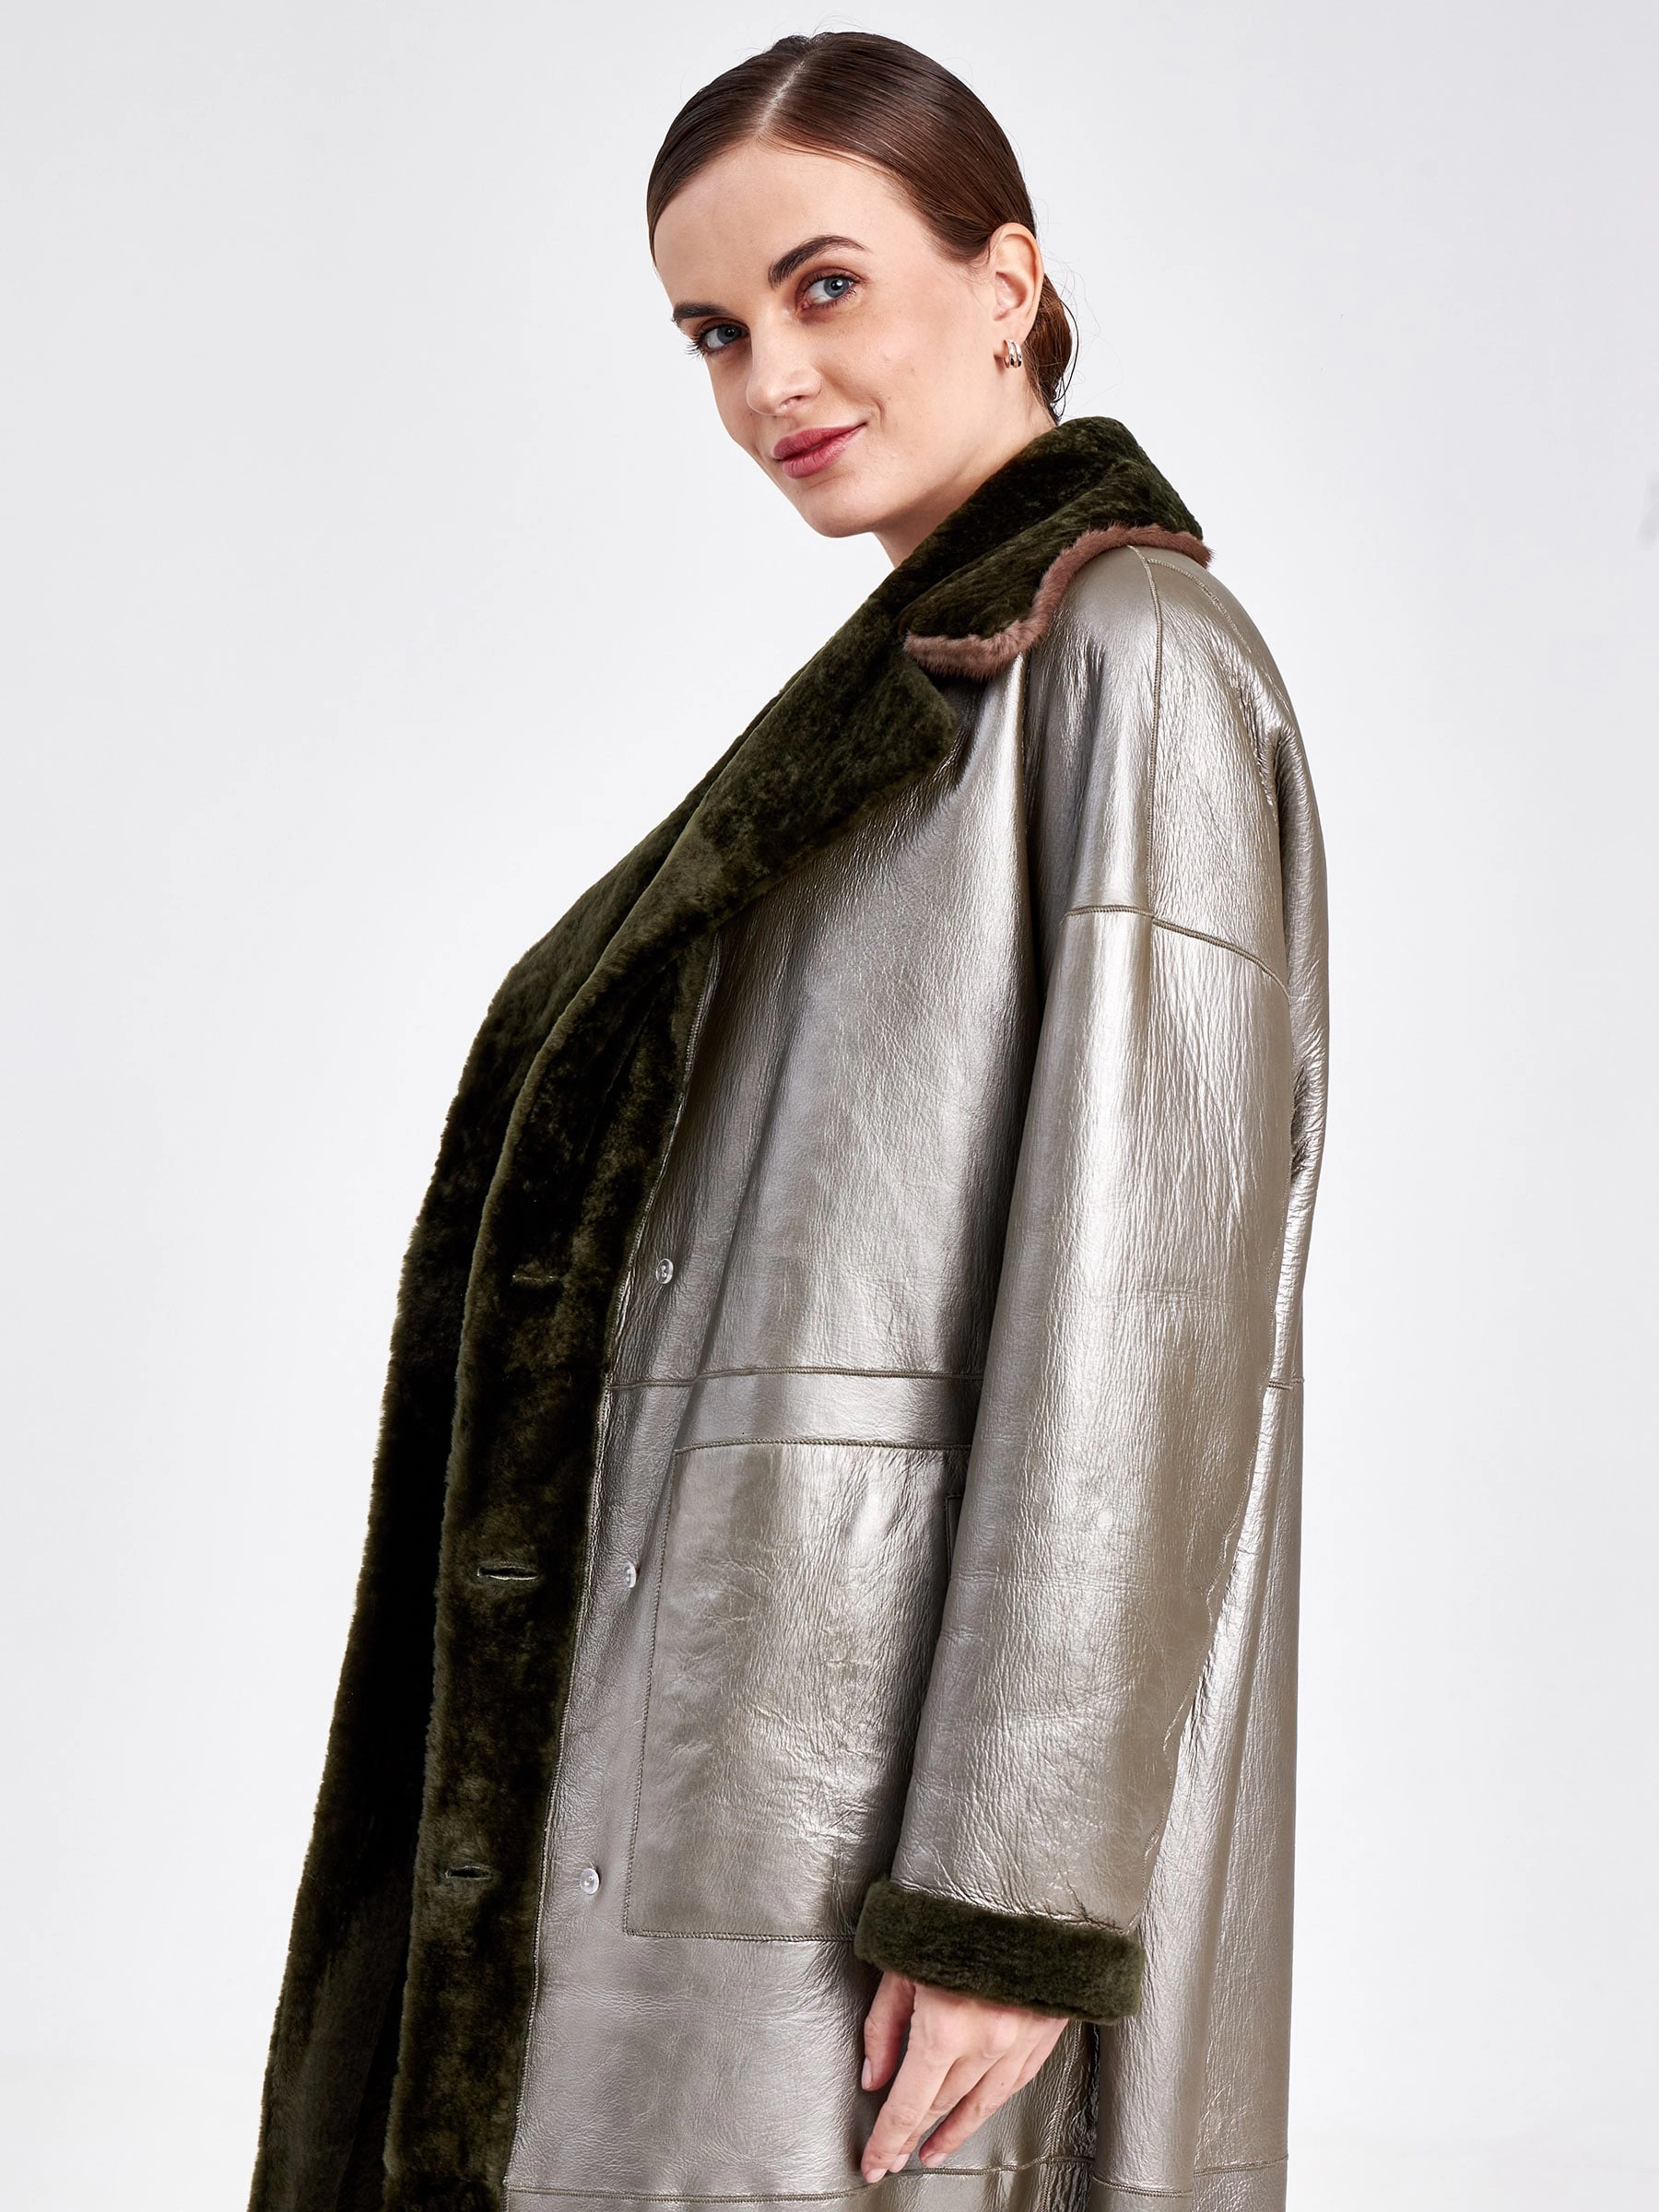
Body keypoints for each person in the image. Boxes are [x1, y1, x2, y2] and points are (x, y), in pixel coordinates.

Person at [250, 32, 1327, 2212]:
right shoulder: (911, 693)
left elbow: (1146, 1322)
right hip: (726, 1788)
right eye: (714, 333)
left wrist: (1005, 1905)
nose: (770, 384)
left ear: (1007, 280)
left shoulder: (1129, 658)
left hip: (872, 1857)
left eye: (823, 287)